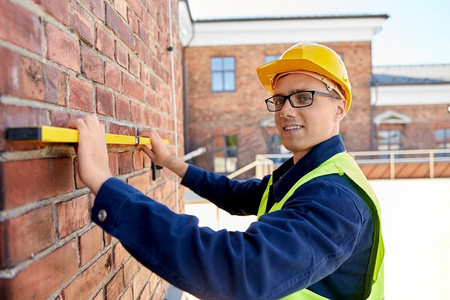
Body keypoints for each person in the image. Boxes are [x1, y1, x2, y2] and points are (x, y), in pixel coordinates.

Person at [67, 42, 384, 300]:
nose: (286, 110)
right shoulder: (303, 174)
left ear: (339, 107)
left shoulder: (335, 197)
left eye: (304, 97)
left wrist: (104, 181)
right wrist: (171, 162)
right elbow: (236, 194)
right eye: (279, 99)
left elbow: (238, 269)